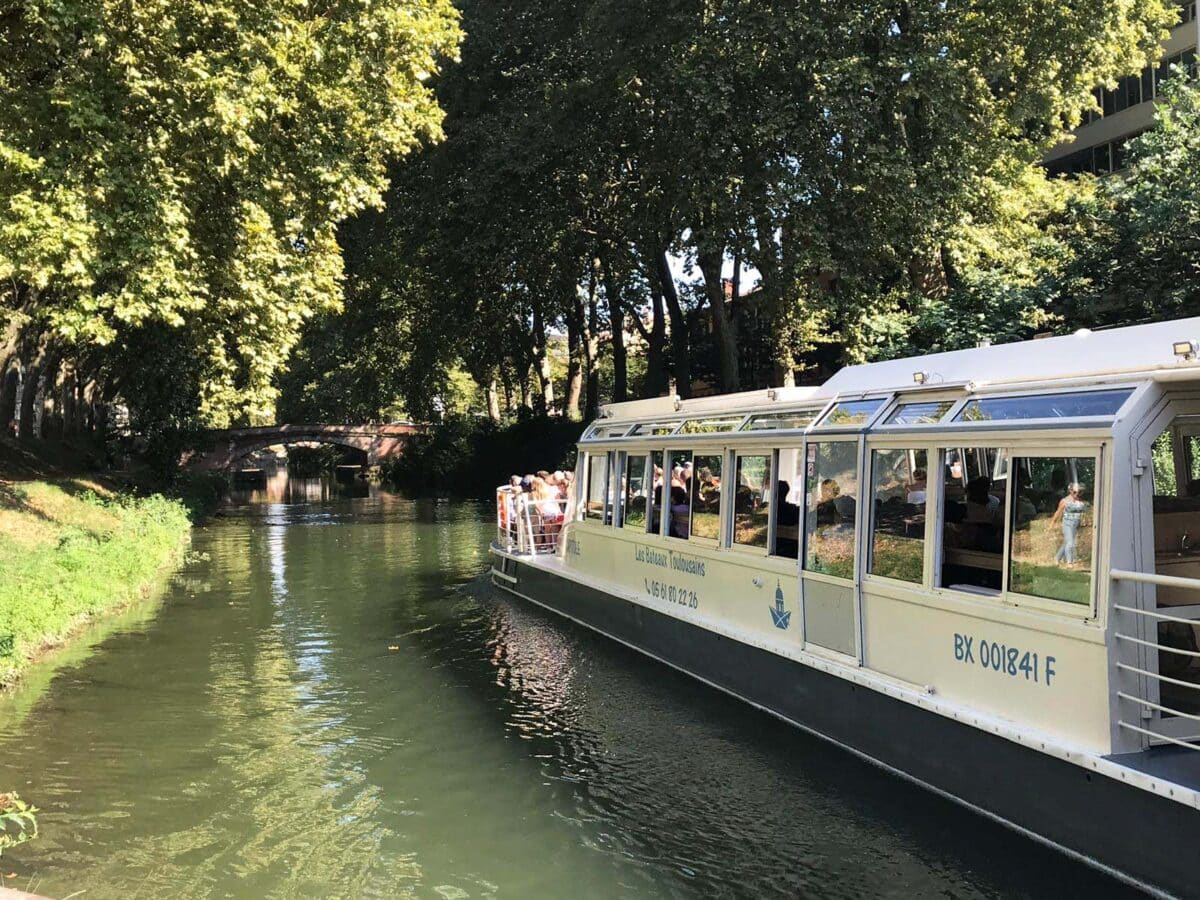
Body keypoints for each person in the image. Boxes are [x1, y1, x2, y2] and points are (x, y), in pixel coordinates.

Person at [1052, 483, 1089, 565]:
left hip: (1076, 525)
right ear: (1070, 491)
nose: (1077, 494)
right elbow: (1058, 512)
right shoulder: (1065, 501)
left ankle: (1057, 558)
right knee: (1070, 543)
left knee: (1067, 542)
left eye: (1079, 492)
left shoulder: (1080, 502)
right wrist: (1053, 523)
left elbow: (1084, 512)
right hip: (1067, 524)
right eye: (1075, 492)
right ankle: (1069, 562)